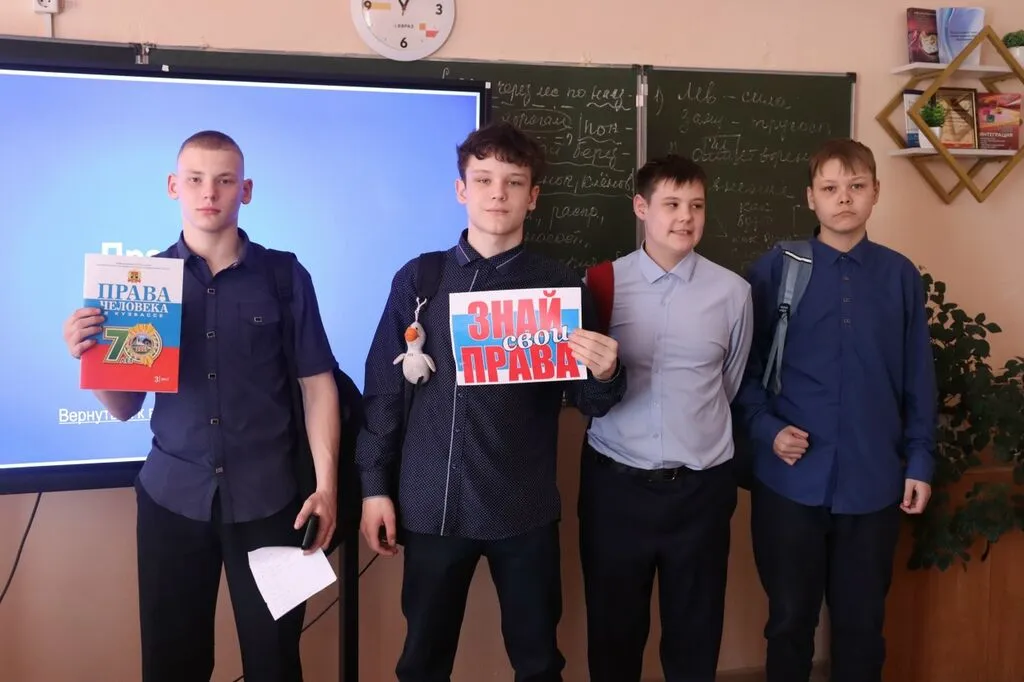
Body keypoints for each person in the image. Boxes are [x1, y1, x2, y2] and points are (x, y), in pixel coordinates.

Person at [61, 130, 340, 682]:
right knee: (172, 666)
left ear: (246, 190)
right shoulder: (141, 284)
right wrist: (89, 358)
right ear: (174, 186)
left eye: (224, 180)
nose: (209, 192)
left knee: (276, 664)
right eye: (195, 179)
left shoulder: (285, 276)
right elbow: (122, 408)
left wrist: (326, 487)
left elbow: (317, 385)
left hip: (273, 504)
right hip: (173, 501)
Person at [355, 120, 627, 682]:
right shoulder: (420, 279)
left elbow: (589, 401)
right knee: (421, 662)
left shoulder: (559, 287)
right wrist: (375, 487)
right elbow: (383, 392)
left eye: (513, 182)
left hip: (523, 508)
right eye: (483, 180)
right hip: (432, 504)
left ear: (533, 196)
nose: (497, 193)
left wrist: (606, 373)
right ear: (462, 190)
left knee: (538, 662)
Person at [735, 138, 937, 682]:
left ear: (875, 192)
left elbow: (918, 376)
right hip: (789, 483)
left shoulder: (899, 276)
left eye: (856, 186)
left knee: (862, 627)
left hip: (873, 483)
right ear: (811, 198)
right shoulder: (776, 270)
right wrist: (768, 429)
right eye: (830, 188)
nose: (843, 198)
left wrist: (920, 460)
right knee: (788, 624)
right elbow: (741, 372)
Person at [579, 154, 753, 682]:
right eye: (672, 204)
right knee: (614, 636)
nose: (685, 217)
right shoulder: (600, 283)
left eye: (696, 206)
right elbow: (585, 389)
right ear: (641, 208)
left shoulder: (733, 292)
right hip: (616, 489)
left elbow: (729, 382)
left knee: (694, 638)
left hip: (700, 491)